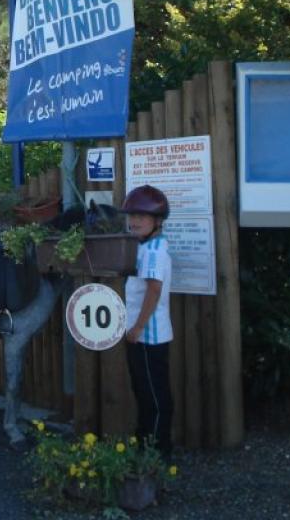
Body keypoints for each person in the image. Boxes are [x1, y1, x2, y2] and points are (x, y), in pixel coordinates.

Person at [122, 184, 174, 457]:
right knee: (146, 394)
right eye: (131, 215)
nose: (134, 221)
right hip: (142, 335)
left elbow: (154, 288)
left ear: (157, 221)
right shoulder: (146, 246)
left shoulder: (153, 250)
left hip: (148, 336)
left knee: (153, 398)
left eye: (141, 216)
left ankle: (155, 457)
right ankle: (147, 451)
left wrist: (138, 327)